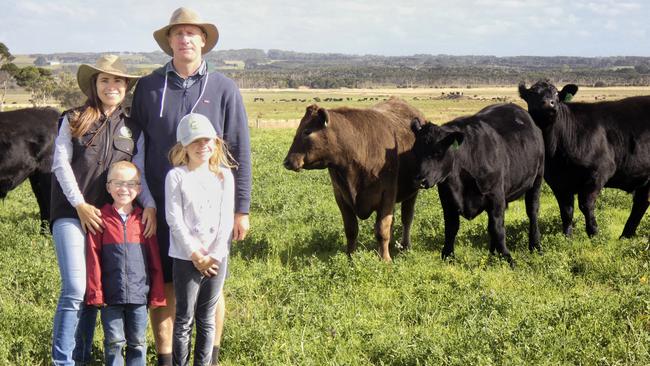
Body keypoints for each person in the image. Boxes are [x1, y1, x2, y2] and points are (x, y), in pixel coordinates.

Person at [131, 7, 252, 365]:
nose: (184, 39)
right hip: (160, 207)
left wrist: (240, 210)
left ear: (203, 41)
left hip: (212, 209)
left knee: (212, 285)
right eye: (177, 33)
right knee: (165, 284)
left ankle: (208, 359)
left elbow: (240, 148)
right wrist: (145, 201)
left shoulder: (224, 88)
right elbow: (136, 147)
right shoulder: (149, 87)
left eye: (191, 33)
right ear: (168, 41)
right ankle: (168, 359)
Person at [50, 54, 150, 365]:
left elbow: (140, 173)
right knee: (76, 287)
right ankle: (62, 360)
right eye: (104, 79)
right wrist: (79, 204)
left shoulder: (134, 129)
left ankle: (82, 356)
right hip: (71, 213)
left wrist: (151, 207)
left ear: (125, 87)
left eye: (117, 80)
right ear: (94, 85)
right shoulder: (73, 119)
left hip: (109, 220)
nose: (111, 85)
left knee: (97, 288)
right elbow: (60, 164)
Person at [165, 113, 235, 365]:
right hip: (186, 257)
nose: (202, 146)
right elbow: (174, 219)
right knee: (184, 318)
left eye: (207, 140)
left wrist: (213, 255)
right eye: (195, 141)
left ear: (215, 143)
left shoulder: (224, 176)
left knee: (206, 317)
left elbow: (226, 219)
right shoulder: (176, 177)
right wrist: (196, 254)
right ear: (183, 146)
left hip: (217, 258)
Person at [85, 161, 166, 366]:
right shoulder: (99, 219)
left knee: (138, 342)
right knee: (113, 342)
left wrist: (156, 294)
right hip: (110, 297)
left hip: (139, 296)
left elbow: (154, 261)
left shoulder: (143, 220)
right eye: (118, 183)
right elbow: (93, 259)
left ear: (139, 189)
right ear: (108, 187)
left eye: (131, 184)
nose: (124, 189)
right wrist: (96, 293)